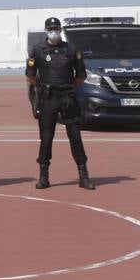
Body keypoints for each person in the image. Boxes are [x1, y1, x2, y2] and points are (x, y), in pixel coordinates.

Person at [26, 17, 95, 190]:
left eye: (56, 28)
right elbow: (30, 75)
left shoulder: (71, 49)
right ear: (46, 30)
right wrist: (43, 88)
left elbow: (80, 75)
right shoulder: (38, 50)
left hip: (68, 97)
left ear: (61, 30)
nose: (54, 31)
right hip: (48, 98)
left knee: (75, 136)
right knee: (46, 137)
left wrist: (68, 87)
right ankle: (43, 177)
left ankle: (83, 176)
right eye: (51, 28)